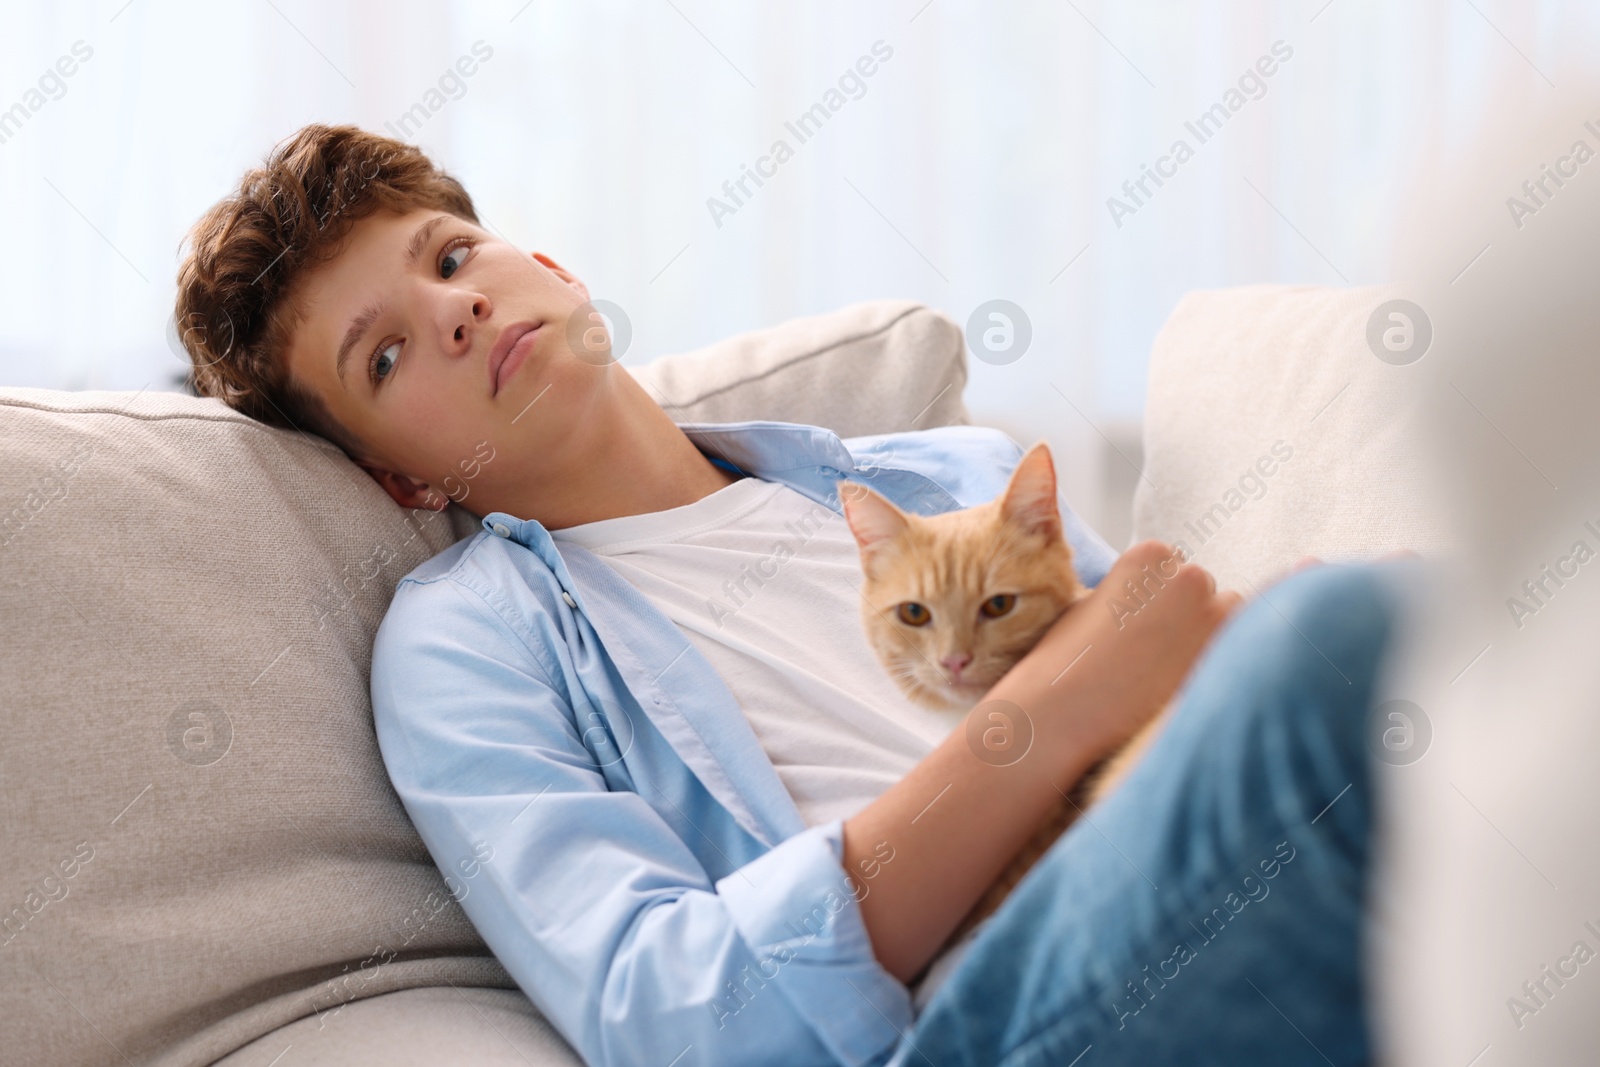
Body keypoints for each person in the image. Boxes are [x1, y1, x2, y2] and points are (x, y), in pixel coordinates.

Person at [175, 123, 1408, 1067]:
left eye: (451, 259)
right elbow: (673, 1011)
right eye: (383, 353)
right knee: (1342, 645)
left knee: (1419, 641)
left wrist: (1233, 660)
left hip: (1180, 876)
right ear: (401, 475)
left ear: (550, 267)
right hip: (980, 1012)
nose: (453, 312)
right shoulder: (465, 644)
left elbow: (1173, 702)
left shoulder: (944, 477)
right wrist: (1045, 716)